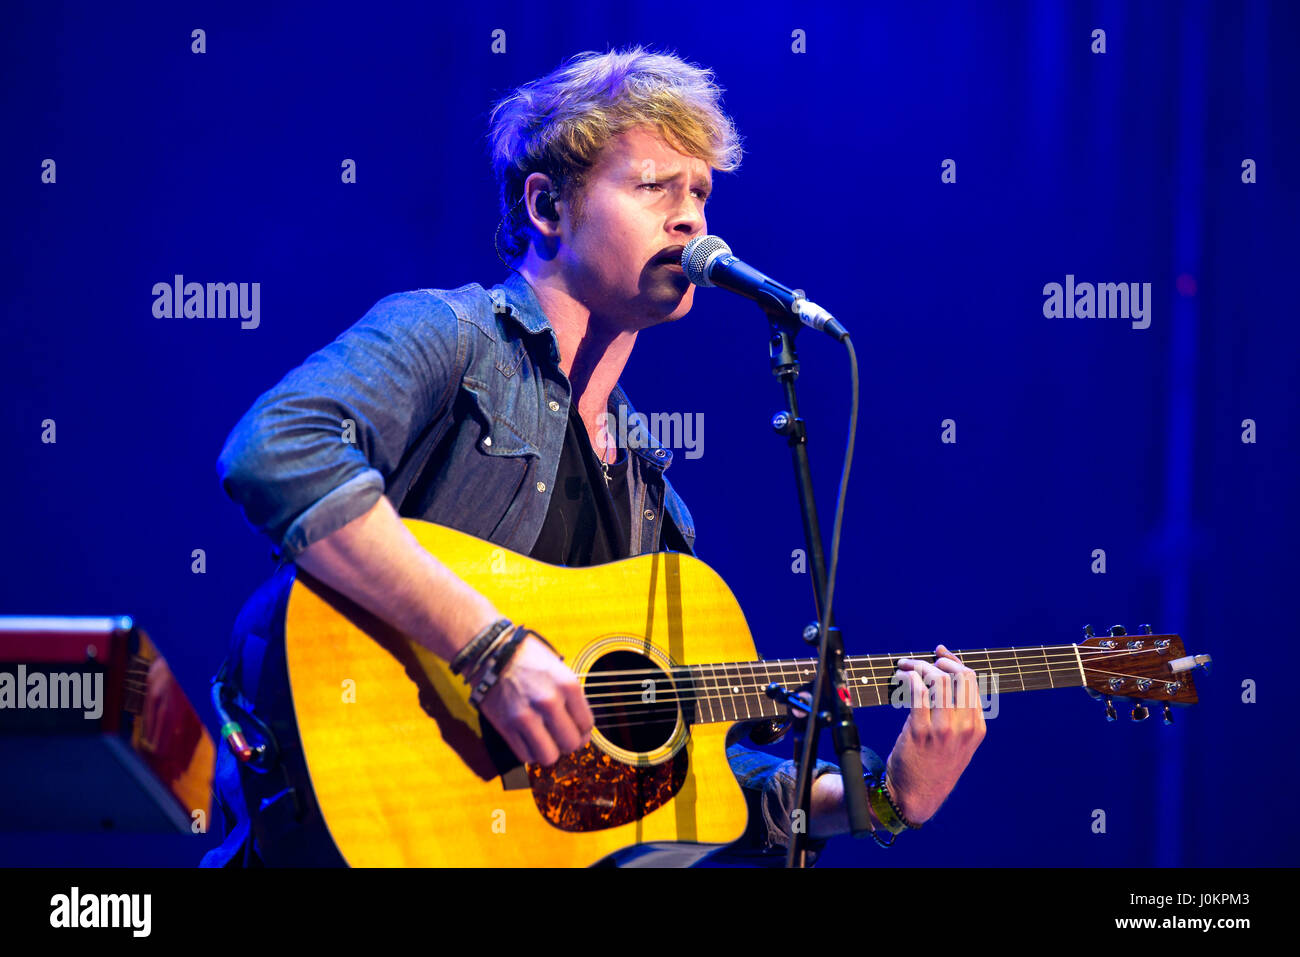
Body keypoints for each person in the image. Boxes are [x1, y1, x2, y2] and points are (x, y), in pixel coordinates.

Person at [200, 45, 984, 869]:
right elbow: (276, 449)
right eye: (655, 187)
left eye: (701, 194)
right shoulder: (451, 336)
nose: (691, 221)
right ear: (547, 206)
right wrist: (489, 648)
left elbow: (698, 786)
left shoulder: (653, 499)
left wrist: (886, 800)